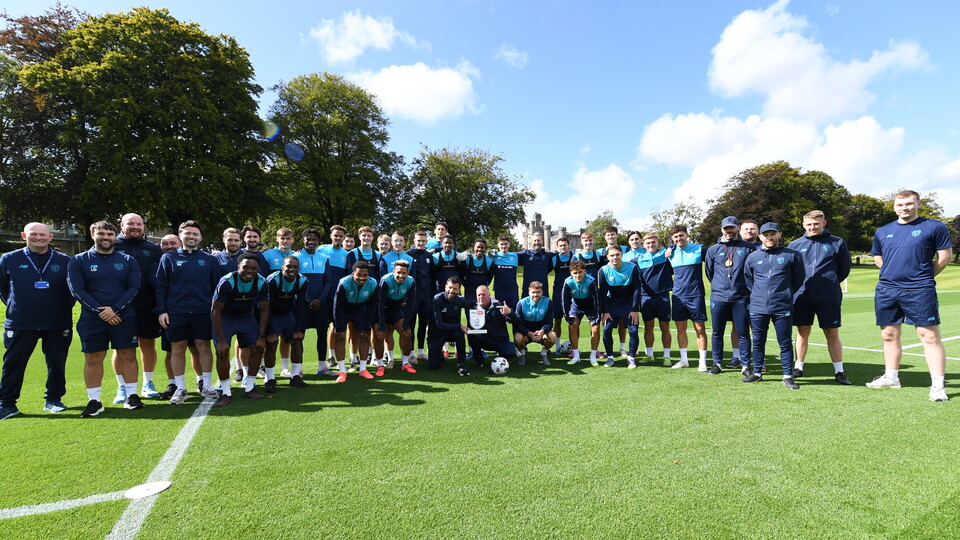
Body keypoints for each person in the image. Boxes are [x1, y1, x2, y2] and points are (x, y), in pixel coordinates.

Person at [866, 190, 953, 401]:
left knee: (929, 336)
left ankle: (938, 386)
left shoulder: (934, 226)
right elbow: (878, 257)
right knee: (888, 334)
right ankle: (891, 377)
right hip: (887, 290)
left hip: (920, 290)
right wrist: (892, 275)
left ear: (918, 204)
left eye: (908, 204)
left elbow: (945, 257)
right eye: (900, 204)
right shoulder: (883, 231)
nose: (904, 208)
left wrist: (921, 276)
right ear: (894, 206)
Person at [0, 223, 75, 419]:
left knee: (56, 363)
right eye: (33, 234)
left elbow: (72, 291)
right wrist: (18, 307)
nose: (38, 238)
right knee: (13, 364)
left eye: (43, 235)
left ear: (50, 237)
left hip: (57, 322)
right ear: (24, 235)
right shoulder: (9, 259)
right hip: (21, 322)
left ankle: (54, 399)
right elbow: (3, 289)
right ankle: (7, 404)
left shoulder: (66, 261)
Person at [68, 221, 142, 417]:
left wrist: (115, 309)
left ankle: (132, 396)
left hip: (123, 316)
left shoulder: (127, 260)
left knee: (128, 354)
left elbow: (133, 288)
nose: (106, 237)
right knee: (93, 358)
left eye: (110, 234)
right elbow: (77, 290)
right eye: (101, 233)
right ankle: (94, 401)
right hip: (92, 318)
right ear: (93, 235)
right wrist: (101, 312)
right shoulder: (78, 260)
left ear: (115, 237)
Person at [155, 220, 222, 405]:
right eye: (188, 233)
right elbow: (160, 287)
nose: (191, 237)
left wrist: (215, 312)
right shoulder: (168, 258)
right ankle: (180, 388)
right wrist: (162, 311)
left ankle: (206, 384)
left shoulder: (209, 260)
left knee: (203, 346)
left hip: (203, 312)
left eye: (195, 234)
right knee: (177, 348)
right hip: (176, 312)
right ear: (181, 235)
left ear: (200, 237)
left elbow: (217, 288)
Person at [787, 210, 852, 385]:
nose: (812, 227)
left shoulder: (837, 242)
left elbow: (844, 269)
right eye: (808, 224)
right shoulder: (794, 245)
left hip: (828, 295)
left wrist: (828, 283)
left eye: (816, 224)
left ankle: (839, 371)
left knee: (831, 332)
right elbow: (791, 271)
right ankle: (798, 366)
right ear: (803, 225)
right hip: (802, 295)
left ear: (824, 223)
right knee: (802, 331)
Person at [742, 223, 805, 389]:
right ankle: (757, 373)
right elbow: (749, 280)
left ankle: (787, 375)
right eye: (766, 234)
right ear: (761, 236)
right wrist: (759, 294)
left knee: (784, 342)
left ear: (779, 234)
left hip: (782, 306)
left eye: (773, 234)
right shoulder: (753, 257)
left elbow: (798, 280)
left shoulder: (793, 255)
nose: (769, 237)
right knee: (758, 342)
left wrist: (785, 293)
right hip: (758, 306)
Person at [113, 213, 163, 400]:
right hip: (121, 307)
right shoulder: (112, 246)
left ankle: (147, 383)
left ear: (143, 226)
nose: (135, 227)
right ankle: (122, 387)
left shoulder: (154, 249)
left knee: (148, 344)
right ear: (121, 225)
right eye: (130, 223)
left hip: (147, 306)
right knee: (122, 348)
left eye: (138, 224)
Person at [212, 253, 269, 404]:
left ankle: (249, 388)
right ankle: (226, 392)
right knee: (222, 351)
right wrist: (221, 340)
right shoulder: (227, 282)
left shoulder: (261, 282)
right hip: (225, 318)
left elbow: (264, 310)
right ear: (238, 267)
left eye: (253, 268)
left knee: (257, 348)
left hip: (245, 318)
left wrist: (261, 336)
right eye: (245, 267)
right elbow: (215, 311)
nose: (249, 270)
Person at [704, 216, 756, 375]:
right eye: (727, 228)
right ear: (722, 230)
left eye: (732, 228)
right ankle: (717, 363)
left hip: (741, 297)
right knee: (717, 332)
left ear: (737, 229)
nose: (729, 231)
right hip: (719, 297)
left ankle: (746, 365)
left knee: (743, 332)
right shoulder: (713, 250)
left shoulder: (748, 248)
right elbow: (709, 273)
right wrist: (721, 286)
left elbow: (753, 271)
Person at [665, 225, 709, 371]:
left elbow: (712, 264)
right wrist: (670, 248)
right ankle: (684, 360)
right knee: (680, 328)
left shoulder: (700, 249)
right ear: (672, 238)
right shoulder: (670, 253)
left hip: (695, 295)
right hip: (678, 296)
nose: (679, 239)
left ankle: (702, 361)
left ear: (687, 235)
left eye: (681, 235)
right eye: (676, 237)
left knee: (699, 328)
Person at [332, 261, 381, 382]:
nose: (362, 278)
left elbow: (373, 305)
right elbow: (337, 306)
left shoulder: (373, 283)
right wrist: (338, 326)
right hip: (344, 309)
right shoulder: (344, 283)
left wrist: (367, 323)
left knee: (365, 335)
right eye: (359, 275)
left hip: (360, 308)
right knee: (339, 337)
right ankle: (342, 371)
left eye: (365, 275)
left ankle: (363, 369)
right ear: (353, 273)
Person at [265, 256, 309, 388]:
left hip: (288, 314)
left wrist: (298, 329)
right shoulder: (272, 280)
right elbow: (266, 307)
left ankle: (295, 376)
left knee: (296, 340)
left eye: (295, 267)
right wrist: (270, 330)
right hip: (273, 315)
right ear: (282, 267)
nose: (292, 269)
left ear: (299, 269)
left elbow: (300, 306)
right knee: (271, 343)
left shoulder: (302, 280)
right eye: (289, 266)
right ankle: (270, 379)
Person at [293, 228, 331, 377]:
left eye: (314, 239)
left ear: (317, 241)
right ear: (303, 240)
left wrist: (319, 300)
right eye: (308, 239)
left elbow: (328, 281)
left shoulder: (324, 257)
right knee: (299, 335)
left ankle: (322, 367)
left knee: (322, 334)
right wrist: (308, 300)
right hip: (302, 304)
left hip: (320, 304)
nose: (311, 242)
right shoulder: (296, 257)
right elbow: (295, 281)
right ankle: (299, 368)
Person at [597, 245, 641, 367]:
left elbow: (637, 289)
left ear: (622, 255)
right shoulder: (603, 270)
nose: (615, 257)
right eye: (612, 255)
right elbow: (603, 293)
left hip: (629, 305)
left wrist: (634, 309)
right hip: (612, 305)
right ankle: (610, 357)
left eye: (617, 254)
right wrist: (605, 312)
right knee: (606, 329)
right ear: (607, 257)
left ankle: (631, 358)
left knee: (633, 330)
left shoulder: (632, 268)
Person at [262, 227, 296, 376]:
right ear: (277, 239)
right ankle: (263, 367)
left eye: (288, 238)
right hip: (270, 303)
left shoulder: (296, 255)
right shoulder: (267, 255)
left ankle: (284, 368)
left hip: (288, 303)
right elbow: (262, 278)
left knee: (287, 338)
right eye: (282, 238)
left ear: (293, 240)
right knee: (268, 338)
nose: (285, 241)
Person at [636, 234, 673, 366]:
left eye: (653, 242)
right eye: (648, 243)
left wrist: (671, 247)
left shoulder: (665, 255)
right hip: (645, 297)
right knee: (648, 327)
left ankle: (667, 356)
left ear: (658, 244)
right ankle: (649, 355)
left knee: (665, 327)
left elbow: (676, 245)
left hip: (662, 296)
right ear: (644, 246)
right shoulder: (639, 259)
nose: (651, 245)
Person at [378, 260, 418, 373]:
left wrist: (406, 323)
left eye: (404, 273)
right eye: (398, 272)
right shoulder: (386, 280)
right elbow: (380, 304)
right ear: (393, 272)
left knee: (406, 332)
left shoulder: (410, 281)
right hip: (383, 309)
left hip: (396, 310)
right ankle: (384, 362)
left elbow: (411, 304)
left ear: (408, 273)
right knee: (381, 334)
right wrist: (381, 324)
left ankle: (405, 362)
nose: (401, 276)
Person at [428, 276, 473, 375]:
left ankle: (461, 364)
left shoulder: (459, 300)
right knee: (433, 366)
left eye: (455, 289)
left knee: (459, 334)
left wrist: (489, 301)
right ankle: (438, 354)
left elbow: (472, 304)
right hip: (437, 334)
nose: (452, 291)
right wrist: (459, 326)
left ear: (459, 290)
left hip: (452, 332)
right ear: (445, 287)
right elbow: (439, 324)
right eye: (450, 287)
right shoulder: (437, 299)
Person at [466, 285, 518, 366]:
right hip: (485, 340)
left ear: (489, 295)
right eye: (479, 295)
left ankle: (502, 355)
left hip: (500, 339)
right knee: (472, 335)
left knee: (510, 353)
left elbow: (513, 321)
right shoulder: (473, 308)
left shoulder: (498, 306)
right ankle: (479, 361)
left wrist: (510, 312)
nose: (481, 297)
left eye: (484, 294)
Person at [562, 260, 601, 365]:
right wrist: (567, 317)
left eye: (580, 272)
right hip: (576, 305)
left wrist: (597, 317)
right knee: (572, 326)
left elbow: (596, 300)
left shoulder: (590, 281)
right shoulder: (568, 282)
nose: (578, 275)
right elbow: (564, 301)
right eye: (575, 273)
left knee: (595, 328)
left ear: (585, 271)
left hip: (590, 306)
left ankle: (593, 356)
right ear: (571, 273)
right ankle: (576, 356)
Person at [406, 231, 433, 363]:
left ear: (426, 242)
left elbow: (431, 275)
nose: (421, 243)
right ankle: (411, 353)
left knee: (423, 324)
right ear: (414, 241)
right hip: (413, 296)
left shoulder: (429, 256)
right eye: (419, 241)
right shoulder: (408, 255)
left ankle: (421, 352)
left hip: (425, 296)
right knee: (411, 324)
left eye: (423, 241)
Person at [514, 281, 557, 366]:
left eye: (538, 292)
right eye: (533, 292)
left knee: (553, 336)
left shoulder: (548, 302)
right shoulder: (521, 303)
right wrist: (529, 334)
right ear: (529, 292)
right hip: (526, 333)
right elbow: (518, 325)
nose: (536, 295)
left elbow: (549, 323)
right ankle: (522, 353)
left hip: (540, 333)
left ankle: (544, 353)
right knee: (517, 338)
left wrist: (542, 331)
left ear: (542, 292)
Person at [550, 237, 574, 355]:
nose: (563, 247)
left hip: (572, 293)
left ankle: (575, 348)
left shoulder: (574, 257)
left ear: (568, 246)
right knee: (557, 320)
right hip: (558, 292)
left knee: (573, 320)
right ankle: (557, 347)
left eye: (565, 245)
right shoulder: (554, 259)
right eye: (561, 246)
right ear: (557, 247)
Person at [517, 232, 551, 300]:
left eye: (539, 240)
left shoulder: (548, 255)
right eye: (535, 240)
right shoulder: (525, 254)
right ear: (531, 242)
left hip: (543, 291)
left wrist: (575, 252)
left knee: (545, 310)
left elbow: (563, 254)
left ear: (542, 241)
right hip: (528, 291)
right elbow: (509, 255)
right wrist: (496, 254)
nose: (537, 242)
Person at [491, 235, 520, 309]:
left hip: (512, 290)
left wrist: (543, 250)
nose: (503, 246)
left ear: (509, 244)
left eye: (505, 244)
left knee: (514, 314)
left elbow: (528, 253)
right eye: (501, 244)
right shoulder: (494, 256)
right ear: (498, 245)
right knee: (500, 314)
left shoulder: (515, 256)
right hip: (499, 290)